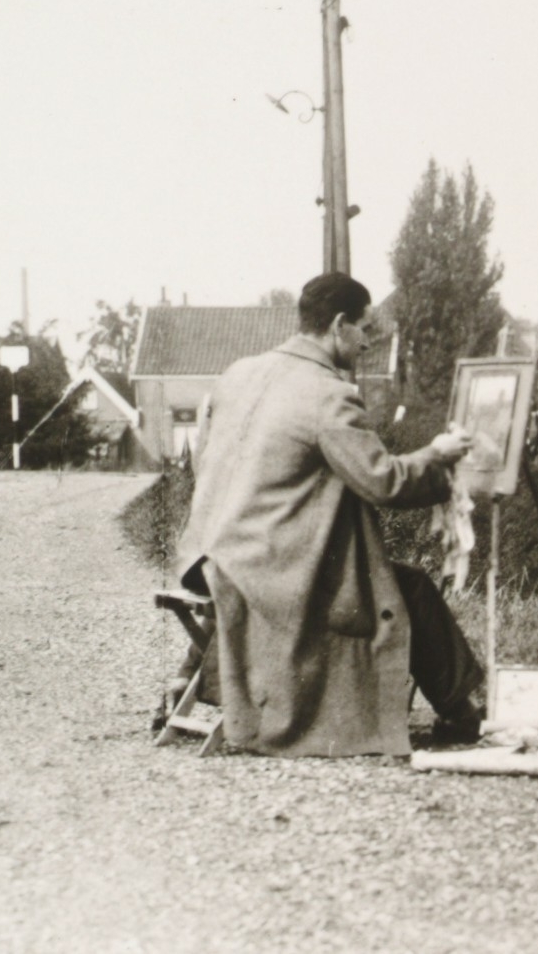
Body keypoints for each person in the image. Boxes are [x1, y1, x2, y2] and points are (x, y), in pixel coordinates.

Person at [173, 273, 485, 757]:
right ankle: (463, 713)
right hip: (270, 574)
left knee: (370, 575)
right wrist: (438, 456)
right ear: (340, 325)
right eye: (365, 329)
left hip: (211, 558)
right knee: (412, 589)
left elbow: (203, 461)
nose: (367, 343)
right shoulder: (327, 393)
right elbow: (384, 482)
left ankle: (184, 677)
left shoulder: (239, 372)